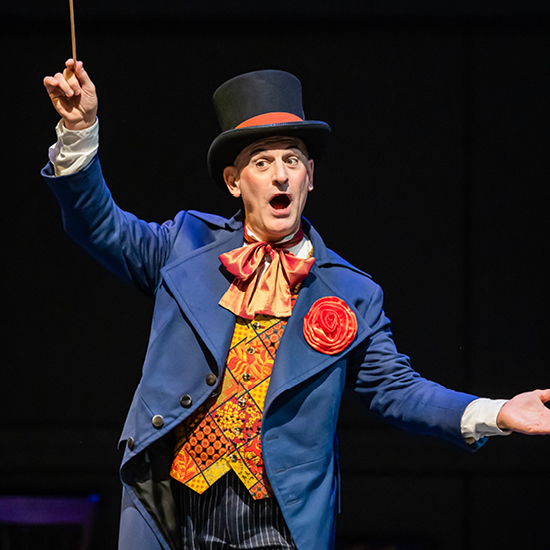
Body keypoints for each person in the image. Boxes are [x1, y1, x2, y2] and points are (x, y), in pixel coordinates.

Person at [43, 59, 550, 550]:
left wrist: (498, 412)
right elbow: (99, 225)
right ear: (234, 182)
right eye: (262, 162)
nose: (280, 176)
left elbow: (398, 390)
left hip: (278, 521)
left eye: (292, 160)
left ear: (310, 176)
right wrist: (79, 131)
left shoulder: (349, 291)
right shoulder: (183, 245)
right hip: (175, 510)